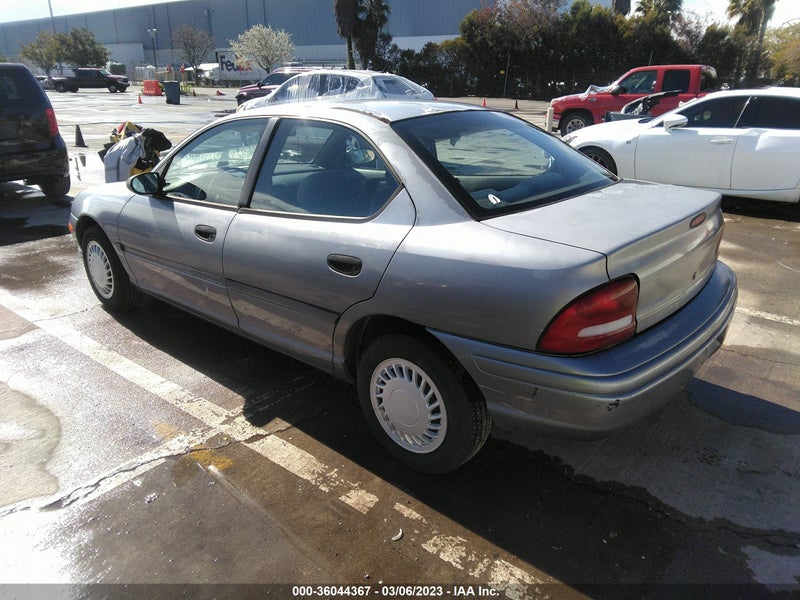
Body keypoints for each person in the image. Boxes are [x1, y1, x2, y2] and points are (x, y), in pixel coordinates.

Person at [103, 128, 171, 183]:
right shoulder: (133, 147)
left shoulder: (139, 141)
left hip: (113, 159)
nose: (159, 154)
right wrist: (124, 186)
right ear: (151, 146)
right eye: (158, 150)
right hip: (113, 164)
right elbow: (124, 167)